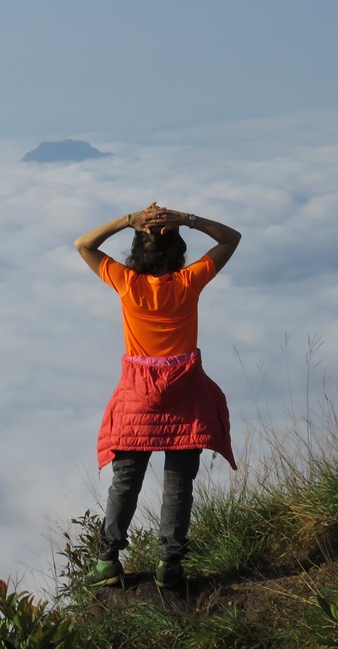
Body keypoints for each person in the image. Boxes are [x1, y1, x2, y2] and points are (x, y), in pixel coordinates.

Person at [74, 203, 241, 588]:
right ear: (179, 253)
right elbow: (232, 238)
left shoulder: (126, 283)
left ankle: (107, 562)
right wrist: (188, 219)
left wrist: (128, 220)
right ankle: (171, 566)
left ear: (136, 254)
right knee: (179, 482)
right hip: (186, 395)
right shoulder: (189, 282)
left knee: (126, 480)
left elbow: (84, 244)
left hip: (138, 399)